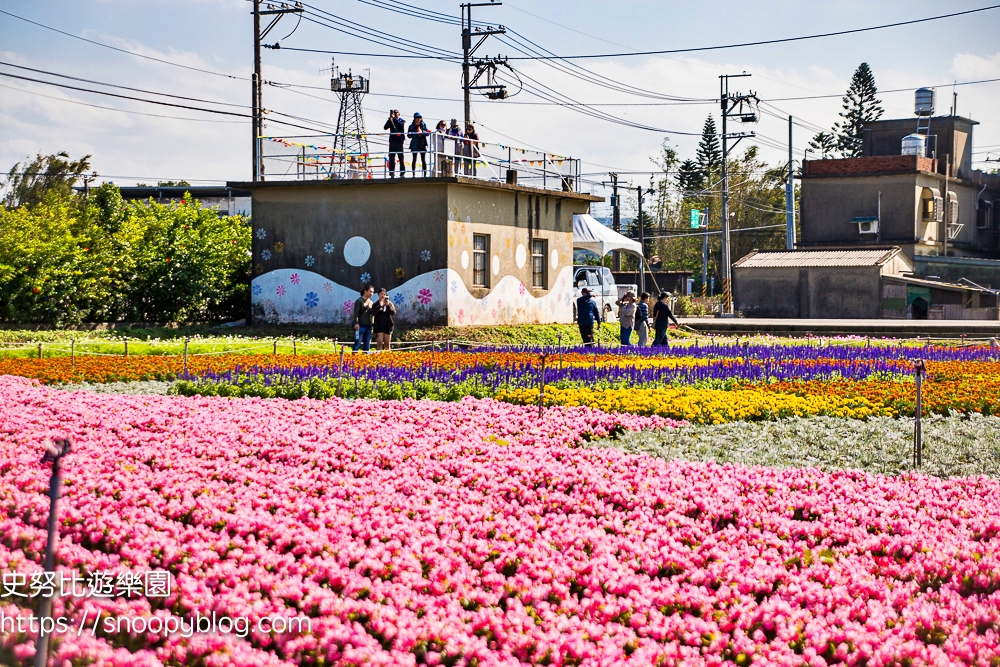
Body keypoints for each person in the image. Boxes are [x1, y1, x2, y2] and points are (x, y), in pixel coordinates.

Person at [352, 284, 376, 352]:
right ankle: (354, 357)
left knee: (367, 344)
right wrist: (356, 323)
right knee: (358, 342)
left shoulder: (371, 302)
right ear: (365, 291)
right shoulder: (359, 301)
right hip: (360, 325)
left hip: (369, 326)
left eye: (373, 292)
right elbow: (356, 313)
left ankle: (365, 359)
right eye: (370, 291)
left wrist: (372, 326)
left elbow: (372, 315)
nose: (372, 293)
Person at [383, 110, 405, 178]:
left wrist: (394, 119)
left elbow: (400, 125)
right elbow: (385, 127)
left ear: (399, 114)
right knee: (391, 158)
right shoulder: (391, 120)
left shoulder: (401, 120)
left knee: (401, 158)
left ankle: (402, 173)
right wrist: (389, 120)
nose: (395, 114)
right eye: (394, 113)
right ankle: (392, 173)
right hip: (392, 142)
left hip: (399, 142)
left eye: (396, 113)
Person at [408, 112, 429, 177]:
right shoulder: (411, 126)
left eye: (420, 117)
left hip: (422, 143)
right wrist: (415, 133)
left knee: (423, 159)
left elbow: (427, 133)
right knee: (414, 159)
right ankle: (413, 174)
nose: (418, 119)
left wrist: (422, 132)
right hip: (414, 144)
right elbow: (408, 135)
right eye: (417, 117)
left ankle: (425, 174)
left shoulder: (423, 125)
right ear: (414, 118)